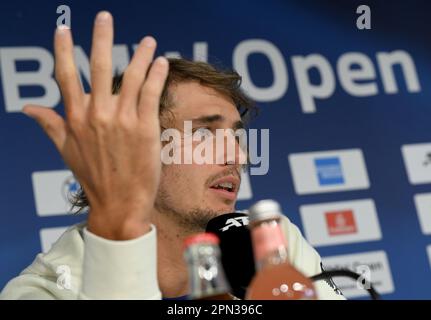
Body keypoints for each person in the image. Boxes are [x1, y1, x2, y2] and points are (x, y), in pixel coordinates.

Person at [1, 11, 344, 300]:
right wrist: (120, 234)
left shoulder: (269, 242)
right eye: (204, 133)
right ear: (133, 148)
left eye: (237, 136)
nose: (236, 155)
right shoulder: (45, 290)